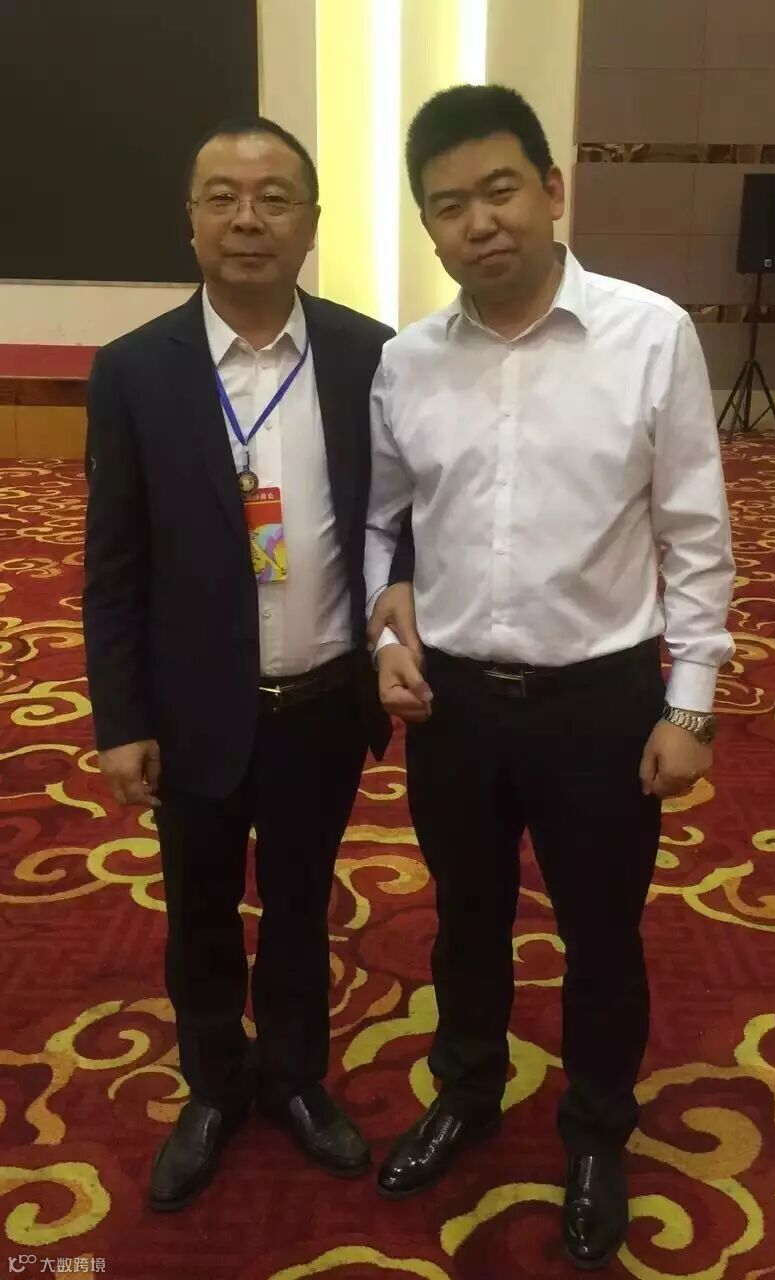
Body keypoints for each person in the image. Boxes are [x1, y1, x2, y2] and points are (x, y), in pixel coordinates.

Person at [365, 85, 734, 1270]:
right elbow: (383, 526)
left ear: (552, 189)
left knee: (601, 936)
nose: (479, 222)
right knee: (463, 919)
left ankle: (595, 1134)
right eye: (448, 205)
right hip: (457, 706)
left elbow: (695, 530)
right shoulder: (407, 362)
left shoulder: (649, 334)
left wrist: (691, 704)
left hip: (599, 705)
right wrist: (385, 628)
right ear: (429, 226)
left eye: (500, 190)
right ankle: (467, 1091)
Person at [83, 116, 413, 1212]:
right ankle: (214, 1085)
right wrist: (121, 718)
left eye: (274, 197)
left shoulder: (371, 355)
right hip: (191, 710)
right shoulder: (135, 371)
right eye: (221, 196)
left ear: (312, 222)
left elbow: (401, 521)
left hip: (323, 702)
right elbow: (113, 566)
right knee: (200, 910)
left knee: (304, 905)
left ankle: (297, 1078)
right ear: (190, 221)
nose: (247, 219)